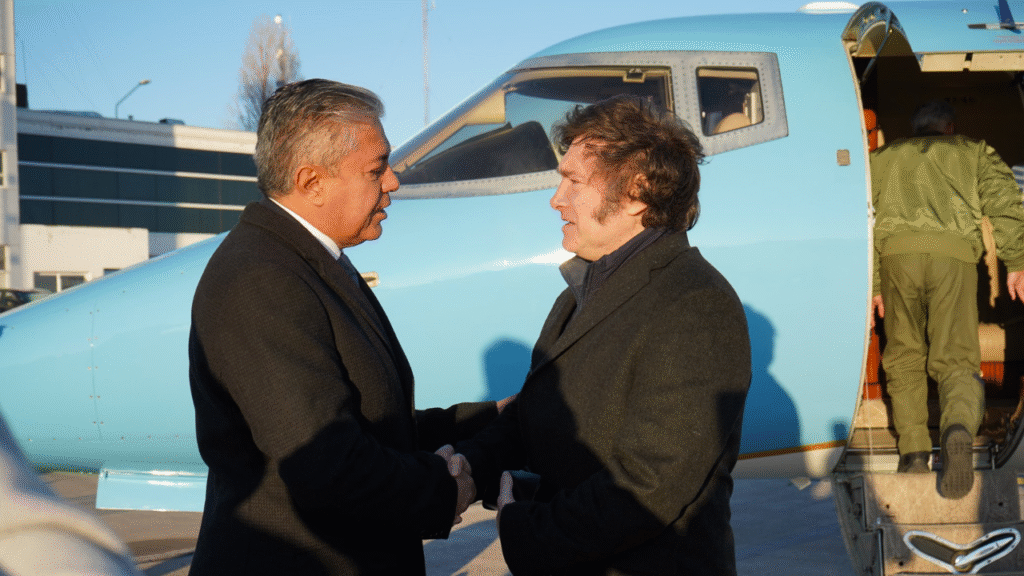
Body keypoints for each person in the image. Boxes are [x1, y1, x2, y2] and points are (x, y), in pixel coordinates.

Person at [188, 79, 498, 576]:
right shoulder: (261, 279)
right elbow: (326, 463)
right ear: (312, 182)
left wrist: (492, 418)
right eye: (376, 169)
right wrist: (445, 488)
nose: (393, 182)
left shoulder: (311, 263)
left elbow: (374, 421)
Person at [456, 95, 752, 575]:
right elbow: (534, 415)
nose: (556, 198)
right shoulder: (576, 295)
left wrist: (527, 529)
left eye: (574, 181)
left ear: (637, 193)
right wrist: (468, 467)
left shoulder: (695, 303)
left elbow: (648, 484)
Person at [871, 99, 1024, 499]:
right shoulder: (974, 152)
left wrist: (873, 284)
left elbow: (863, 218)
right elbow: (1005, 202)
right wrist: (1016, 261)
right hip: (952, 259)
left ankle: (914, 453)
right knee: (956, 359)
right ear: (950, 127)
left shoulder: (881, 159)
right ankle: (957, 428)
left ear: (914, 128)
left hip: (896, 259)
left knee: (904, 357)